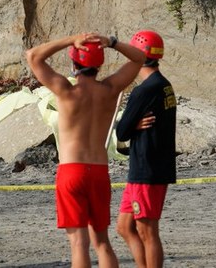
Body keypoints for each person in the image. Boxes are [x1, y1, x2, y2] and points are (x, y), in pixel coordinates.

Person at [26, 33, 146, 268]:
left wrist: (70, 39)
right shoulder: (110, 89)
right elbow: (140, 57)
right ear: (99, 65)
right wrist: (111, 42)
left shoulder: (65, 90)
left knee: (79, 244)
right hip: (99, 171)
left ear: (74, 63)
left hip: (72, 171)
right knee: (102, 243)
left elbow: (33, 56)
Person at [115, 30, 176, 268]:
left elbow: (121, 132)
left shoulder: (145, 90)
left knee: (147, 230)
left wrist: (132, 125)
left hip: (147, 169)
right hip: (146, 166)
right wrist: (135, 125)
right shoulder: (163, 85)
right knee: (124, 226)